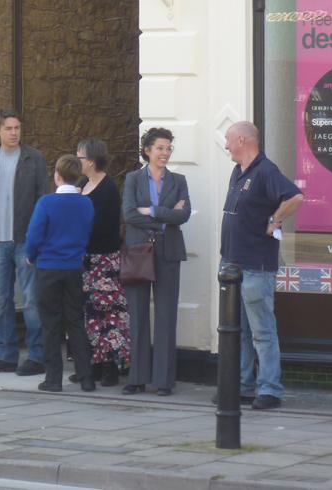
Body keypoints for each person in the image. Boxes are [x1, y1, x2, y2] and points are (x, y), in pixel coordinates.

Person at [220, 121, 303, 410]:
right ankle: (243, 387)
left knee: (261, 330)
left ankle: (269, 389)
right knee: (238, 331)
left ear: (242, 140)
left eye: (229, 140)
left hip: (256, 264)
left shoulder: (266, 171)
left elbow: (295, 196)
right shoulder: (238, 171)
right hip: (234, 264)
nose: (226, 145)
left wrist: (275, 219)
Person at [0, 109, 47, 376]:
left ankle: (37, 355)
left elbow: (42, 200)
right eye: (9, 128)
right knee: (0, 301)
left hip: (26, 239)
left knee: (31, 300)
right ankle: (6, 354)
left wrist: (39, 238)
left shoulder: (33, 159)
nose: (14, 133)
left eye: (17, 128)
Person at [121, 127, 191, 396]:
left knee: (166, 315)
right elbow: (128, 214)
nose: (165, 153)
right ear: (147, 150)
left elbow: (183, 215)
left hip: (168, 252)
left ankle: (163, 381)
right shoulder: (132, 179)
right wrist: (165, 215)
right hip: (139, 251)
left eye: (169, 148)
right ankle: (136, 378)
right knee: (137, 314)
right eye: (161, 148)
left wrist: (151, 210)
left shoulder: (179, 180)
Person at [25, 155, 95, 392]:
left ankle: (53, 379)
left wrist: (31, 254)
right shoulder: (86, 203)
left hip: (48, 267)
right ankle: (86, 377)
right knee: (75, 321)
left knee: (51, 323)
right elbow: (87, 233)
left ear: (56, 176)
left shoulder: (46, 203)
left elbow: (34, 235)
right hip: (73, 266)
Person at [76, 138, 130, 387]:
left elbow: (106, 226)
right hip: (84, 260)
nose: (77, 160)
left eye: (80, 156)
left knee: (108, 313)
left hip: (104, 260)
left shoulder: (108, 188)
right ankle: (92, 363)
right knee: (89, 313)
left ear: (91, 159)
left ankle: (110, 365)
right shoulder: (81, 184)